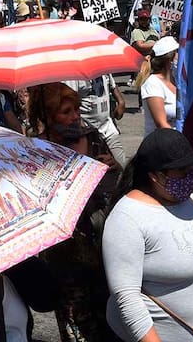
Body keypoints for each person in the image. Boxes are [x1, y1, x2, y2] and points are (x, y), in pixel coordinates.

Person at [102, 129, 193, 342]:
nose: (190, 176)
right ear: (154, 175)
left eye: (191, 168)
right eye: (182, 171)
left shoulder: (189, 200)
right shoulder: (127, 218)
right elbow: (126, 298)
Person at [31, 83, 121, 342]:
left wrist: (113, 166)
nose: (75, 117)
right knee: (78, 329)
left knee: (112, 323)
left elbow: (115, 183)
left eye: (76, 110)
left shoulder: (93, 137)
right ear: (48, 116)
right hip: (65, 254)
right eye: (66, 112)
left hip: (103, 244)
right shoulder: (39, 149)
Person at [62, 75, 128, 166]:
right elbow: (70, 100)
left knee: (121, 164)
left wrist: (121, 101)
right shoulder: (74, 77)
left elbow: (112, 84)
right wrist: (80, 125)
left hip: (107, 127)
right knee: (92, 166)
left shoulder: (103, 70)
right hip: (88, 130)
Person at [138, 37, 178, 134]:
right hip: (163, 140)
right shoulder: (153, 84)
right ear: (169, 59)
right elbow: (161, 124)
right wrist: (181, 140)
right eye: (177, 52)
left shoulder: (176, 80)